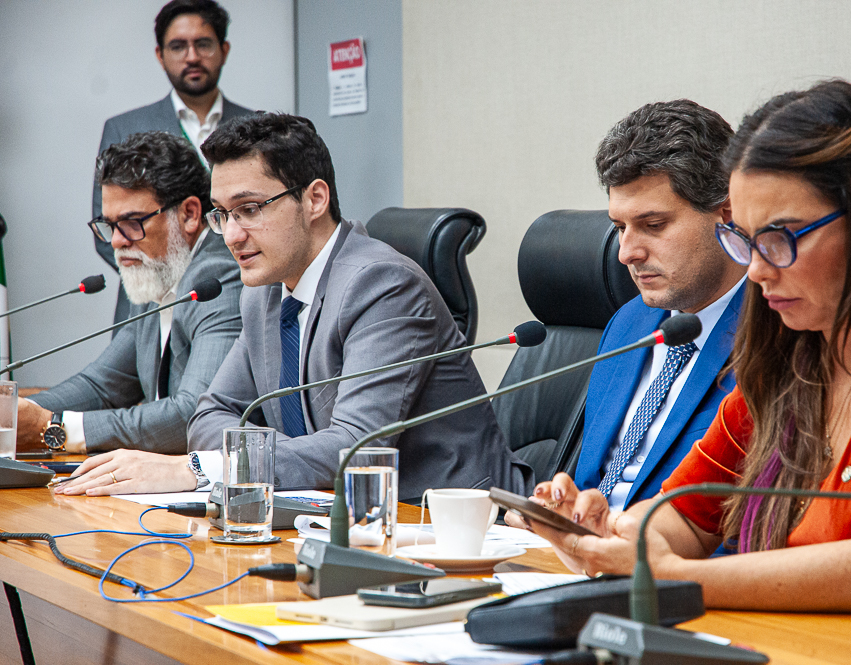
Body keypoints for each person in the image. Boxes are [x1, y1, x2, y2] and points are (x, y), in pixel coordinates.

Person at [518, 81, 851, 631]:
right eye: (745, 240)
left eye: (780, 238)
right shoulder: (793, 344)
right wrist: (606, 537)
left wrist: (674, 574)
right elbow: (684, 517)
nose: (756, 270)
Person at [57, 113, 531, 500]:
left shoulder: (384, 286)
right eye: (223, 214)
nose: (232, 235)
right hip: (332, 517)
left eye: (250, 209)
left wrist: (201, 469)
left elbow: (354, 448)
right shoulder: (264, 291)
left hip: (459, 530)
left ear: (315, 199)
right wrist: (270, 460)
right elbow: (210, 414)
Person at [571, 101, 747, 511]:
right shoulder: (629, 322)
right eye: (620, 228)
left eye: (653, 226)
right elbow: (590, 485)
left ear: (727, 213)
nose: (626, 253)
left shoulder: (779, 333)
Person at [20, 131, 242, 454]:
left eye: (132, 222)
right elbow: (102, 387)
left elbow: (193, 413)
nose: (117, 241)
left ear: (190, 214)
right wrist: (17, 412)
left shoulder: (218, 278)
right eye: (109, 225)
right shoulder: (158, 270)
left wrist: (54, 427)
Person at [94, 0, 253, 325]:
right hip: (150, 308)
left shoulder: (256, 128)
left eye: (203, 44)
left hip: (240, 300)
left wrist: (228, 276)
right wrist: (166, 277)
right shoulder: (124, 129)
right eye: (178, 46)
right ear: (160, 55)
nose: (192, 56)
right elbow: (109, 227)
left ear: (224, 50)